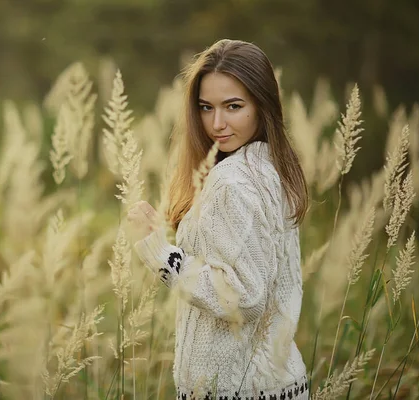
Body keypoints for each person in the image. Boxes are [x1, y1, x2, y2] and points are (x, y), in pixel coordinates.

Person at [127, 39, 310, 400]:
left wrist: (161, 253)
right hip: (279, 383)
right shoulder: (272, 167)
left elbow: (242, 298)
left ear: (263, 105)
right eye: (205, 107)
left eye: (233, 106)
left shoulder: (231, 182)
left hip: (236, 390)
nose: (217, 123)